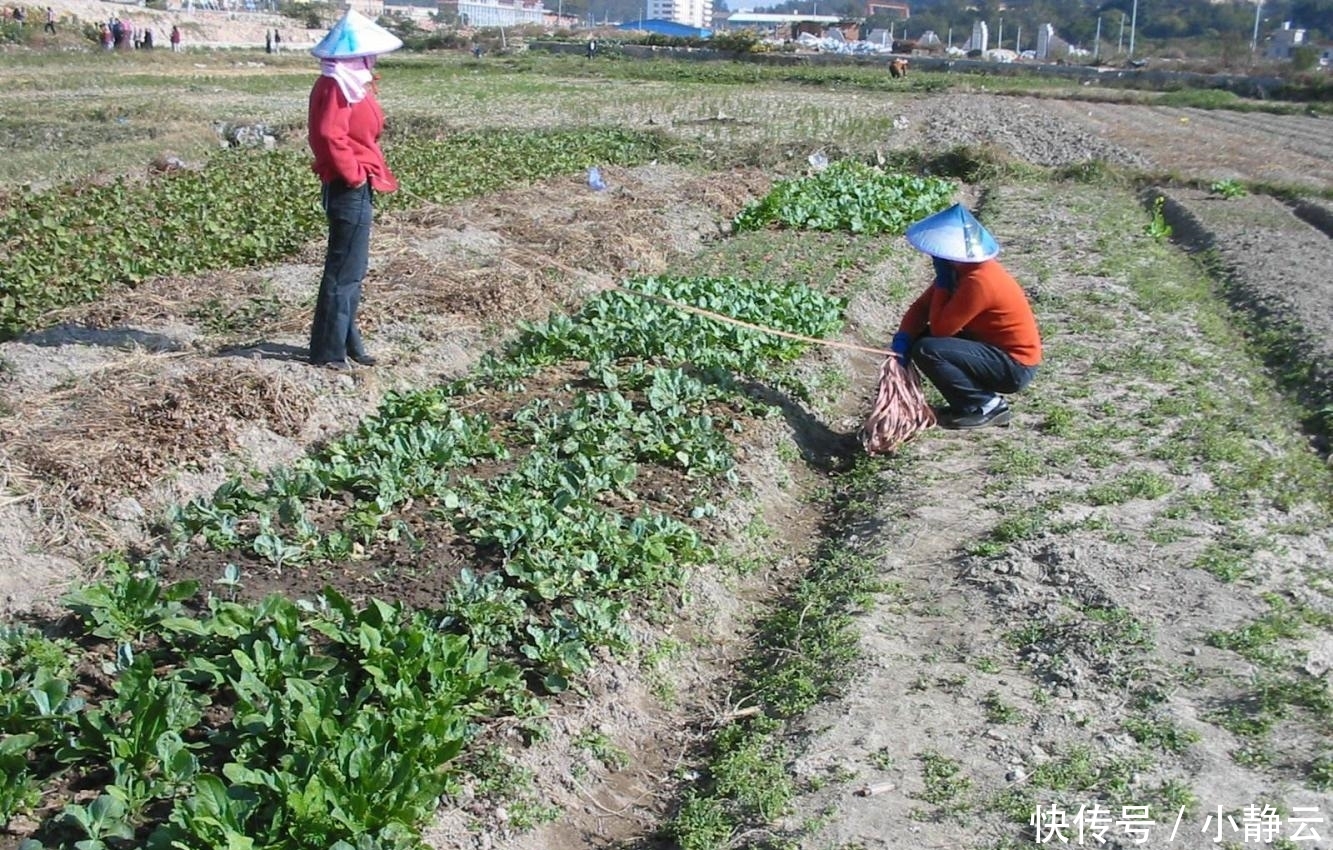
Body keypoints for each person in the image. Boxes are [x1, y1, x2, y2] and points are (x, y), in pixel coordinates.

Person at [306, 9, 402, 370]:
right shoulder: (336, 85)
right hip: (348, 186)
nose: (372, 60)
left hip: (357, 182)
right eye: (367, 55)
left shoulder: (349, 82)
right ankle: (328, 352)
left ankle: (347, 341)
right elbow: (329, 135)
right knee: (343, 269)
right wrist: (353, 175)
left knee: (353, 269)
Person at [890, 204, 1041, 430]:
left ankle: (986, 406)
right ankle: (967, 404)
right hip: (994, 351)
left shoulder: (978, 281)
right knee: (920, 339)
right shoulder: (962, 272)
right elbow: (922, 308)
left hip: (1014, 366)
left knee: (929, 349)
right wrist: (904, 337)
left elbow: (941, 329)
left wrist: (943, 286)